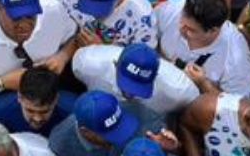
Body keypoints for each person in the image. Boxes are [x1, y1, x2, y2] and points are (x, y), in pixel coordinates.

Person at [155, 0, 250, 95]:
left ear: (213, 30)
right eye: (181, 21)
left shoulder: (238, 60)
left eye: (190, 30)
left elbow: (234, 106)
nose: (181, 29)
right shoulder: (173, 9)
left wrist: (203, 84)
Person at [71, 43, 200, 119]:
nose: (130, 94)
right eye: (126, 83)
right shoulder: (88, 63)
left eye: (140, 86)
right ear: (115, 65)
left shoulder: (178, 90)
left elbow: (196, 110)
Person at [48, 90, 145, 156]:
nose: (120, 136)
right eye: (109, 134)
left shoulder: (130, 109)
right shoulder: (61, 145)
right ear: (85, 132)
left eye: (120, 126)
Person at [0, 64, 77, 136]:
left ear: (56, 99)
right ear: (19, 97)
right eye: (30, 110)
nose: (37, 119)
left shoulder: (74, 112)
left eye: (44, 111)